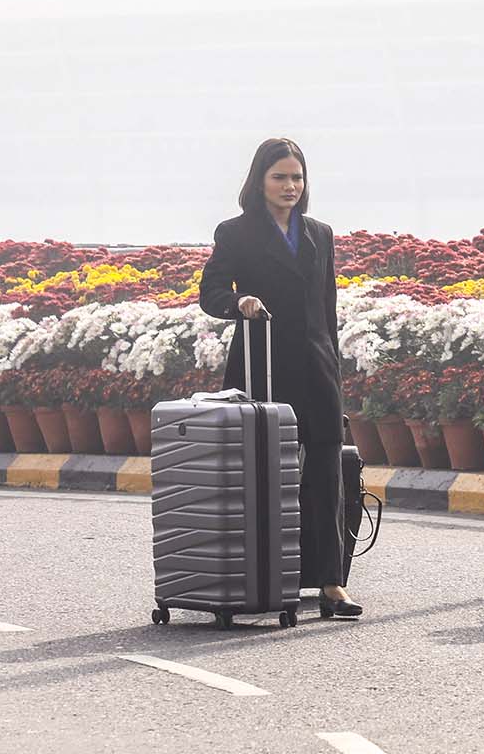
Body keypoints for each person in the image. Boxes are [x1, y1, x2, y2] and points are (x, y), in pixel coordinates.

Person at [199, 137, 362, 619]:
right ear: (259, 181)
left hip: (317, 368)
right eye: (280, 177)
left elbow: (327, 310)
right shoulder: (235, 233)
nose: (290, 186)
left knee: (327, 473)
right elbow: (211, 292)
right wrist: (240, 301)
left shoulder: (320, 233)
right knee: (265, 473)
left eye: (297, 177)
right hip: (262, 366)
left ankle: (331, 583)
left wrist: (334, 370)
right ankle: (264, 576)